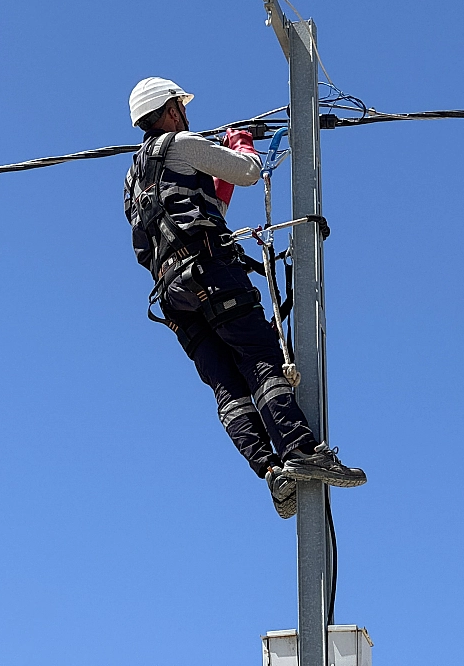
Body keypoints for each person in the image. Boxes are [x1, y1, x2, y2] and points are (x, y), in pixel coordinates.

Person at [123, 77, 366, 519]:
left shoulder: (133, 177)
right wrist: (240, 145)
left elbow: (200, 211)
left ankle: (271, 470)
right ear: (172, 110)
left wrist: (219, 178)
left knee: (227, 387)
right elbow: (249, 172)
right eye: (181, 105)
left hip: (174, 295)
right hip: (211, 270)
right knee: (260, 360)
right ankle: (301, 450)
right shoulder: (181, 142)